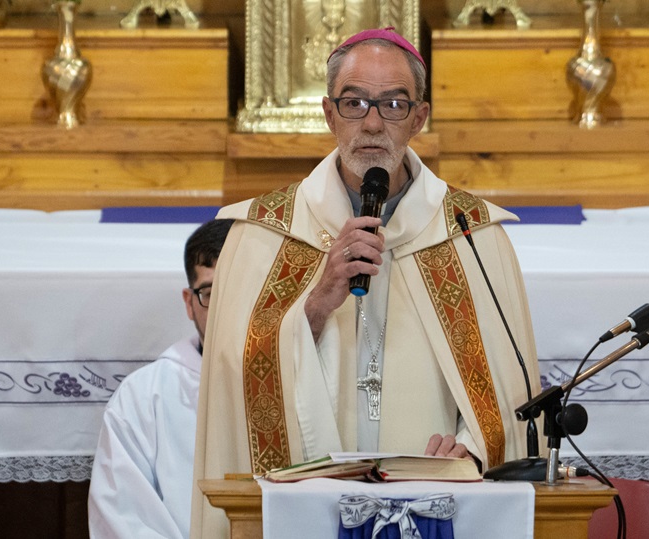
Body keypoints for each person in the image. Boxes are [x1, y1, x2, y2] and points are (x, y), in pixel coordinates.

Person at [190, 27, 540, 538]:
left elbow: (511, 392)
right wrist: (314, 303)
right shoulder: (263, 233)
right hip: (308, 505)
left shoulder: (471, 235)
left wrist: (474, 445)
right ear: (330, 114)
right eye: (354, 103)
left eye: (393, 104)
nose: (372, 123)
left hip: (439, 501)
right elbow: (232, 378)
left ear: (418, 117)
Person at [88, 218, 232, 539]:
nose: (226, 307)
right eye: (210, 292)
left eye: (239, 289)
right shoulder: (143, 396)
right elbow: (121, 519)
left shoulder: (301, 379)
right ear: (189, 303)